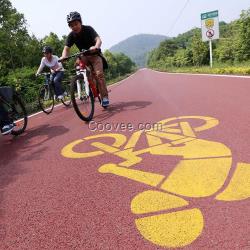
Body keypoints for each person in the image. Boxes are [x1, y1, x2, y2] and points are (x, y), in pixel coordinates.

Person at [60, 11, 109, 107]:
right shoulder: (71, 35)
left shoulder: (88, 29)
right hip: (84, 56)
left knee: (99, 75)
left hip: (95, 55)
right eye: (71, 25)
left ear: (80, 22)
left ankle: (104, 97)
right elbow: (66, 48)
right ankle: (85, 81)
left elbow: (98, 40)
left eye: (76, 24)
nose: (74, 27)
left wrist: (96, 46)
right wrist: (63, 56)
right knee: (79, 66)